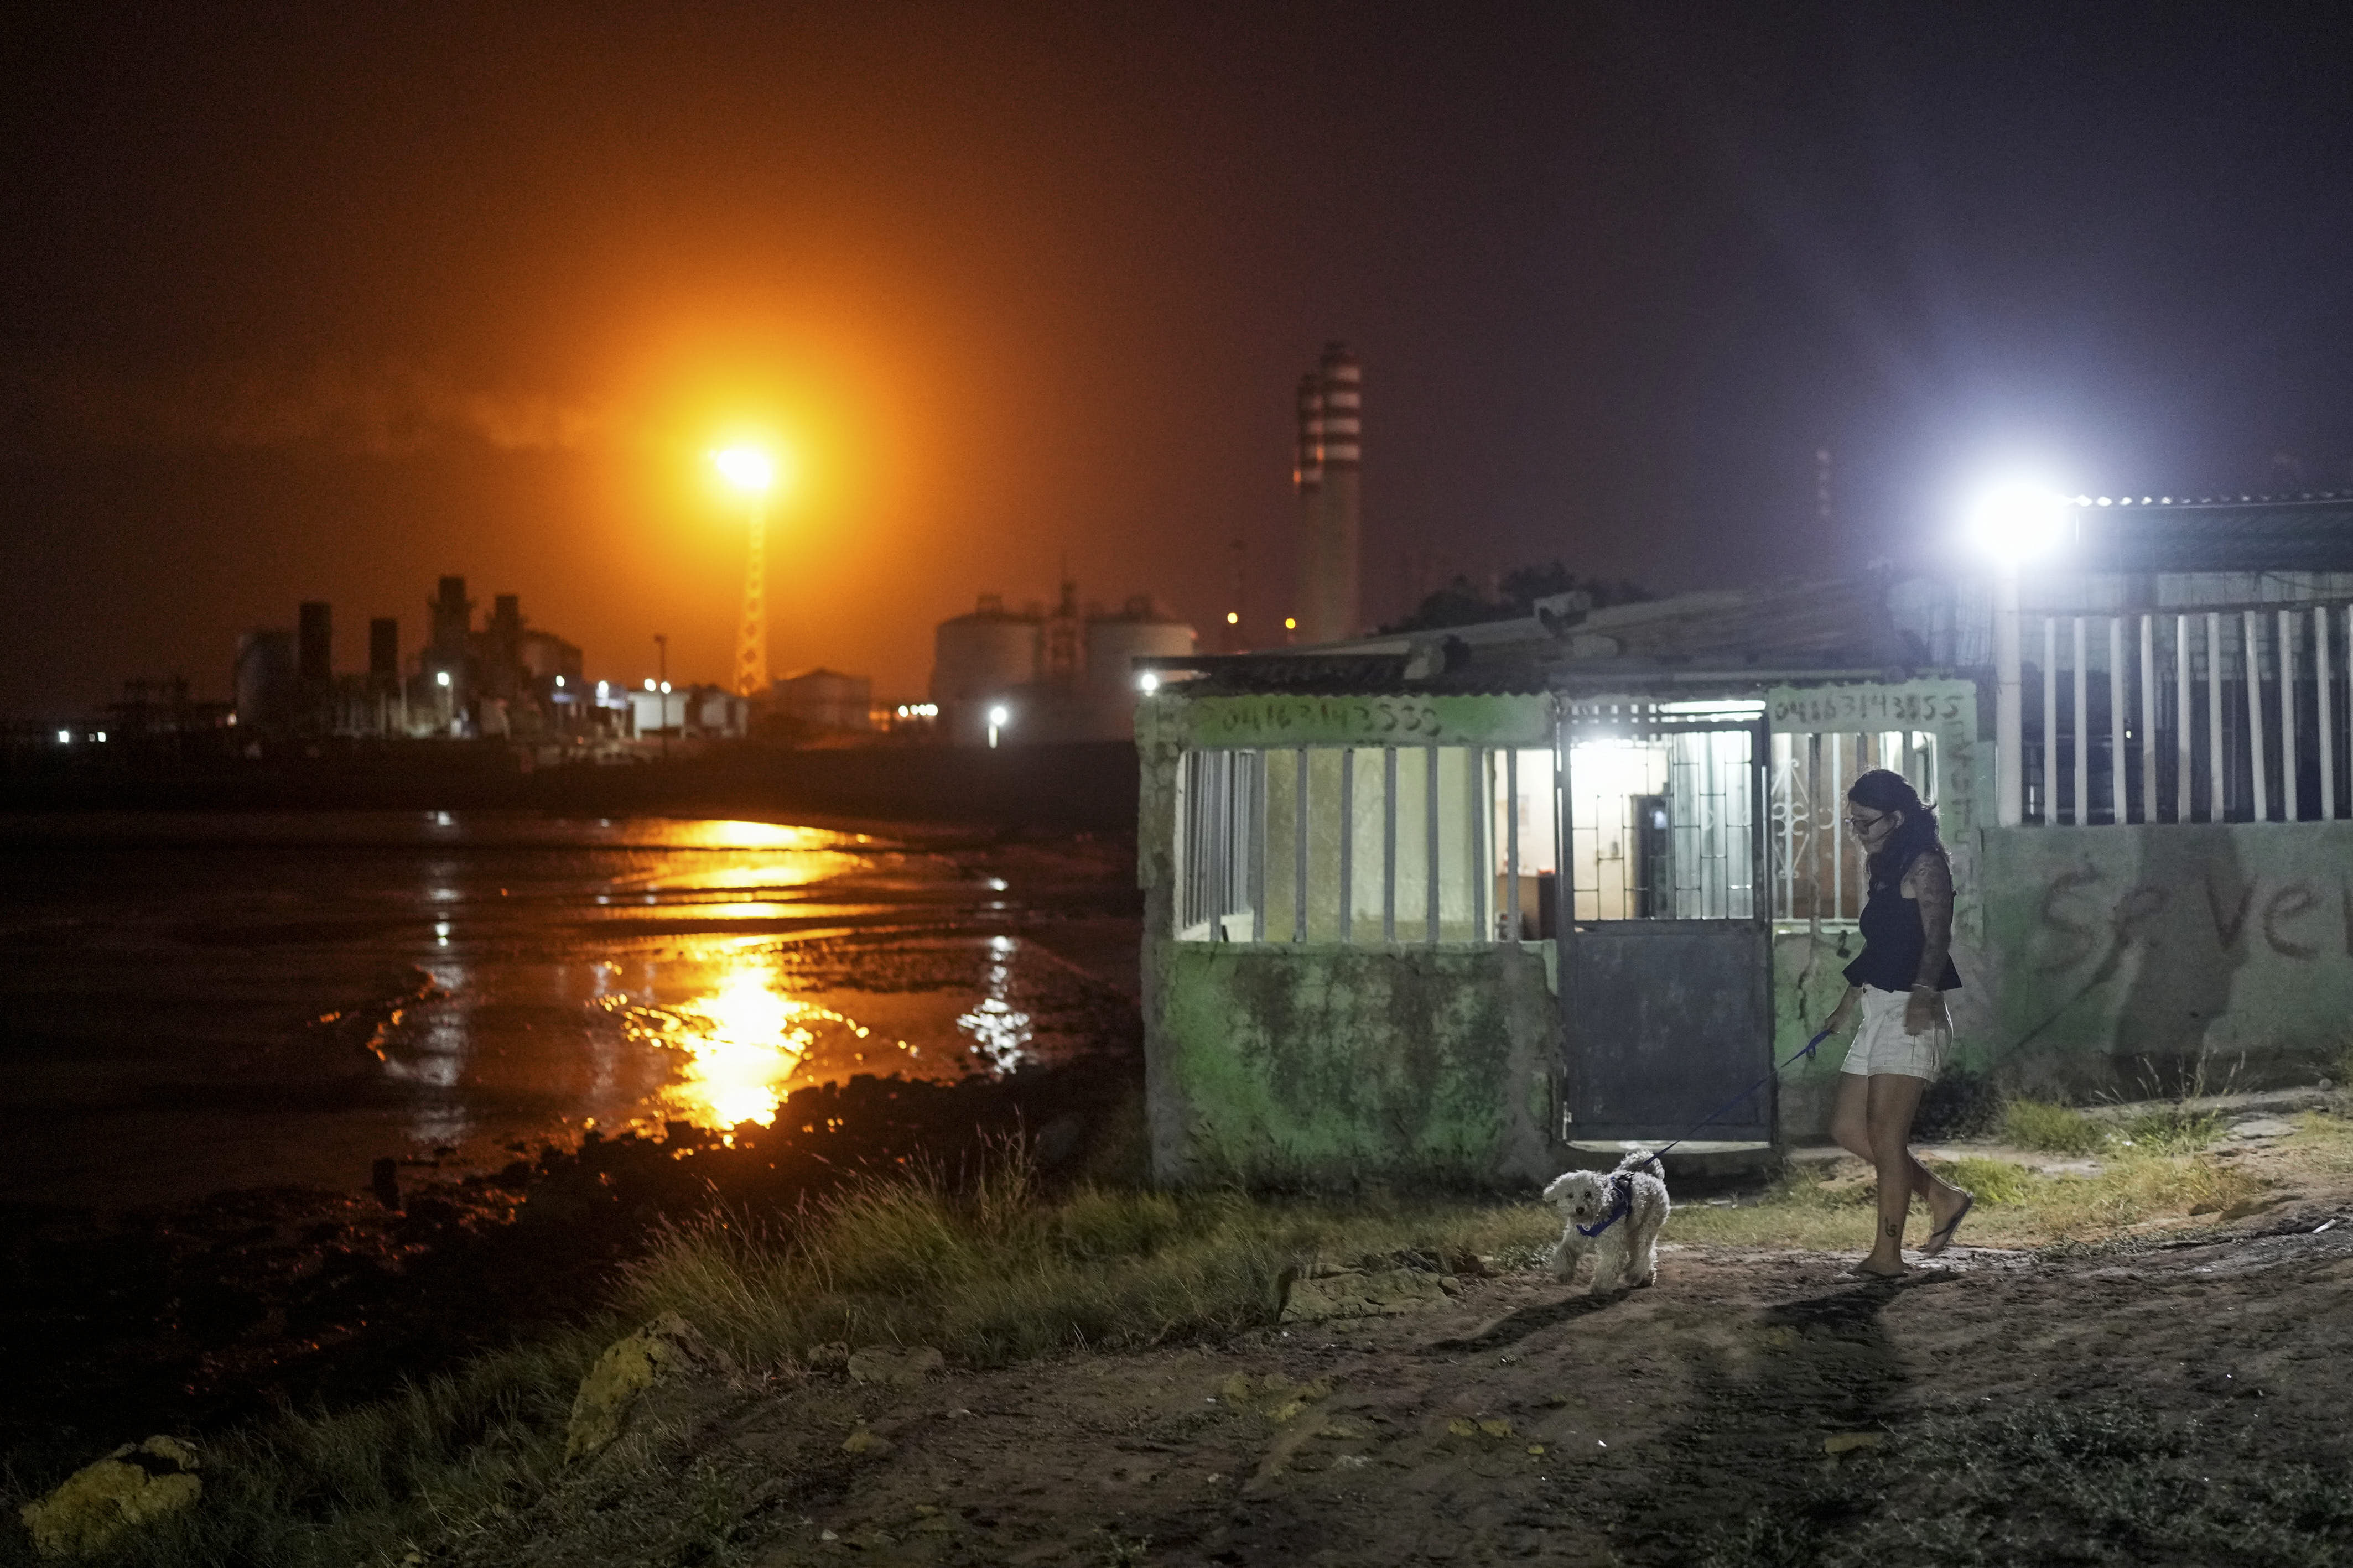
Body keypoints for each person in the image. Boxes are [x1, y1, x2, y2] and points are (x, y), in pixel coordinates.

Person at [1821, 768, 1973, 1278]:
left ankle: (1887, 1256)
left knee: (1887, 1139)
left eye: (1866, 823)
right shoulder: (1884, 865)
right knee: (1847, 1127)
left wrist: (1924, 992)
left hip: (1912, 1011)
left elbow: (1937, 937)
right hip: (1875, 1005)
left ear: (1897, 817)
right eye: (1853, 822)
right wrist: (1847, 1003)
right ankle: (1942, 1197)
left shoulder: (1925, 865)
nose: (1859, 833)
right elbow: (1880, 944)